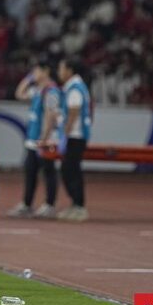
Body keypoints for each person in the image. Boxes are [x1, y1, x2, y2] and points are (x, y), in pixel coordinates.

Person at [8, 61, 61, 219]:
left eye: (36, 71)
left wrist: (44, 138)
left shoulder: (51, 91)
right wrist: (29, 78)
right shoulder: (38, 90)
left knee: (49, 172)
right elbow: (19, 94)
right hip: (33, 140)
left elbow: (51, 115)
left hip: (45, 141)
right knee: (30, 172)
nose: (34, 74)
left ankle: (49, 205)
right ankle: (27, 204)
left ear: (45, 71)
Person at [57, 57, 92, 222]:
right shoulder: (74, 86)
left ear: (70, 70)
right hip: (75, 135)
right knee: (69, 170)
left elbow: (74, 111)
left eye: (62, 68)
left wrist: (65, 133)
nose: (60, 72)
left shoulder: (75, 88)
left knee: (71, 171)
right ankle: (75, 204)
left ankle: (79, 206)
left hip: (75, 136)